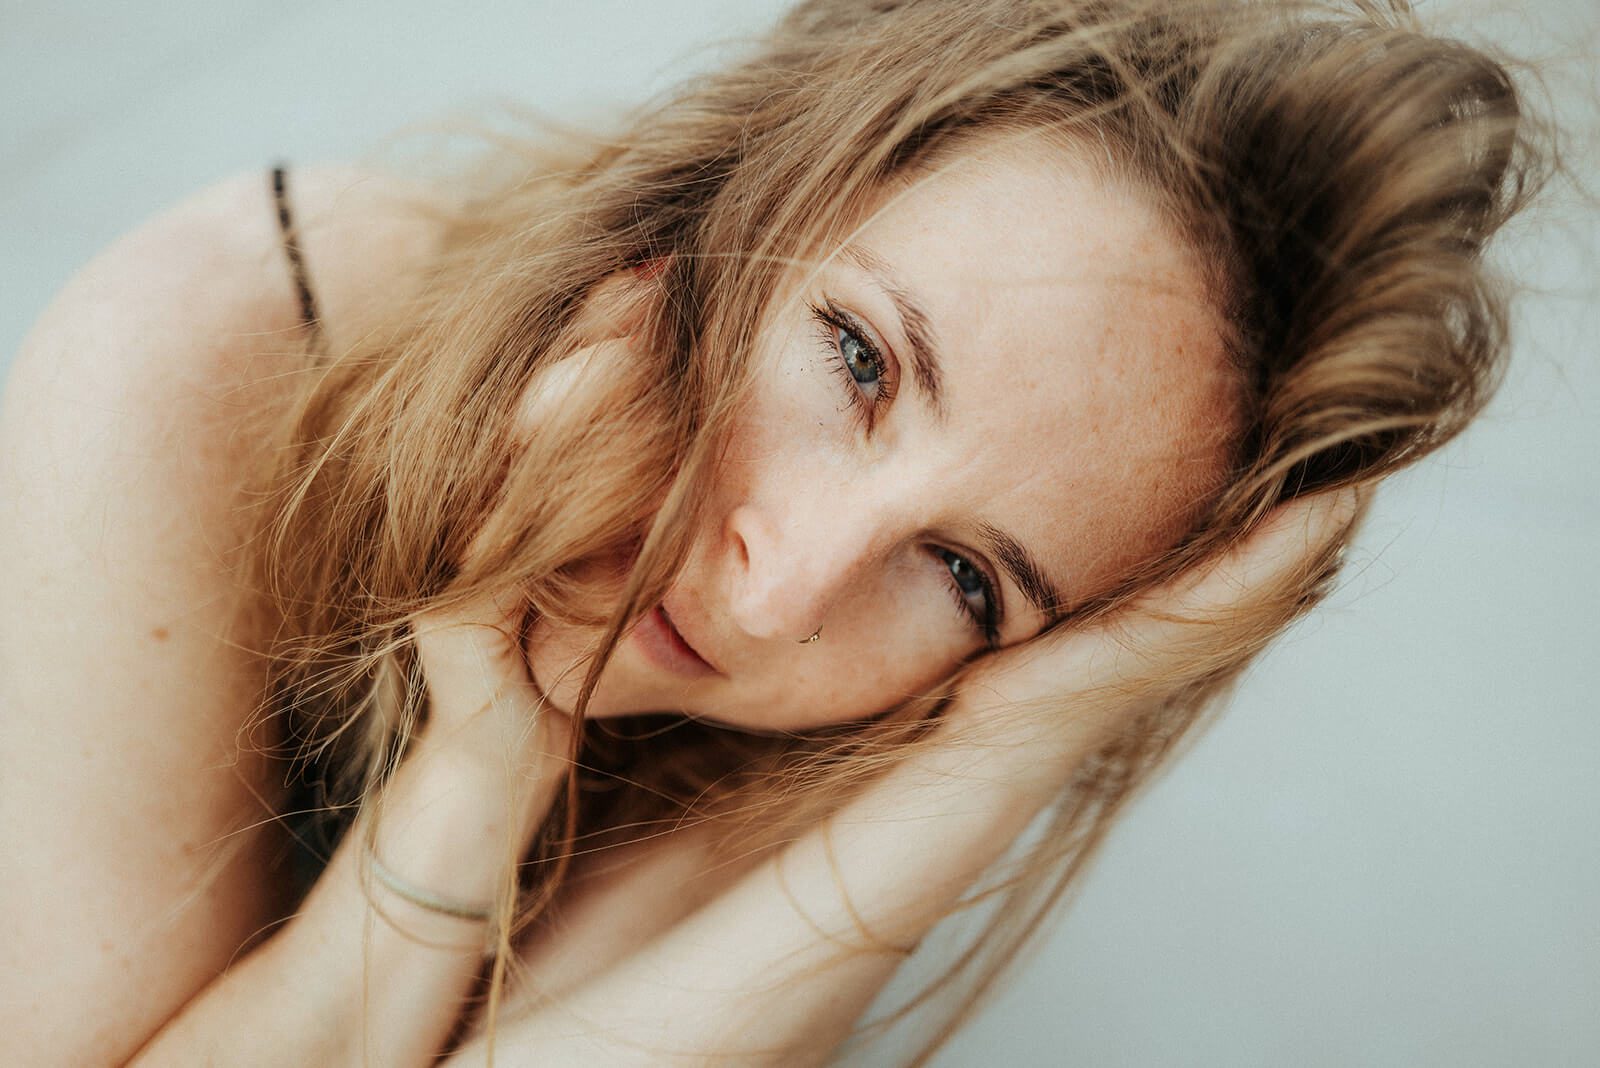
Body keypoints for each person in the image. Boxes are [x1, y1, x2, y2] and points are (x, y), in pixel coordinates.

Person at [0, 0, 1547, 1063]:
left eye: (966, 575)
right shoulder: (216, 351)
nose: (784, 592)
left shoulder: (886, 702)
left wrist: (1006, 753)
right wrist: (471, 785)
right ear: (741, 185)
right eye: (859, 359)